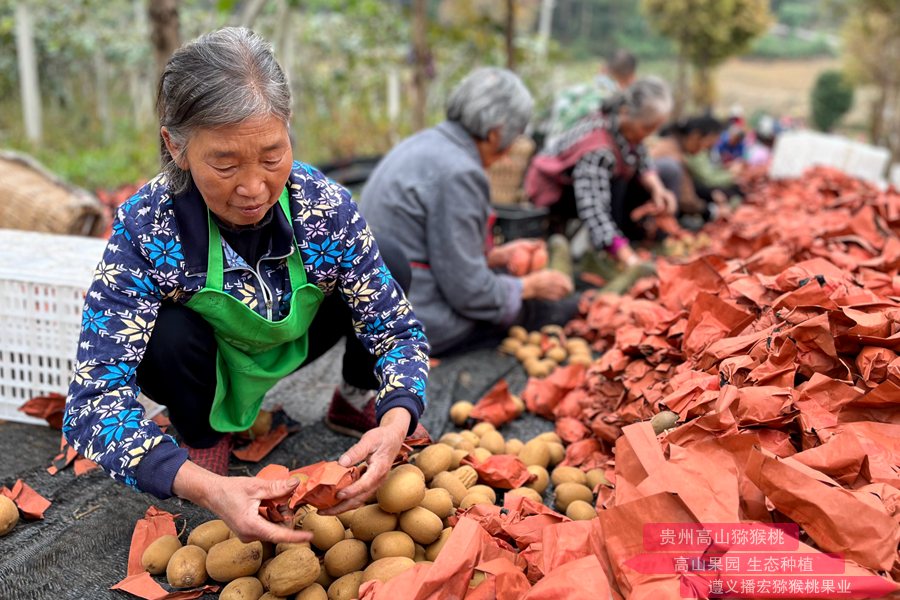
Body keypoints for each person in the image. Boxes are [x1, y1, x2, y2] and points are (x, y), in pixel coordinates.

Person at [63, 28, 430, 544]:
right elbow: (91, 404)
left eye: (272, 155)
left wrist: (397, 421)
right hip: (203, 365)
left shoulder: (323, 208)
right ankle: (203, 436)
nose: (254, 188)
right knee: (166, 334)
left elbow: (397, 332)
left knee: (387, 263)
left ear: (288, 130)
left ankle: (355, 401)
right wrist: (203, 488)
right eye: (225, 163)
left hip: (290, 342)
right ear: (176, 146)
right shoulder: (146, 227)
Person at [360, 67, 575, 356]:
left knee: (507, 280)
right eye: (515, 135)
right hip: (414, 315)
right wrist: (529, 286)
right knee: (548, 309)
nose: (512, 147)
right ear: (497, 132)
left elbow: (435, 245)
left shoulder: (425, 143)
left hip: (372, 303)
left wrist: (495, 256)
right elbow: (469, 292)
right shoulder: (460, 173)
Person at [526, 77, 676, 267]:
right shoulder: (598, 149)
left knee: (633, 181)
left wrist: (658, 189)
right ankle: (608, 252)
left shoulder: (623, 127)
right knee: (619, 184)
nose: (648, 134)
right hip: (553, 194)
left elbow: (640, 154)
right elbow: (594, 211)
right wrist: (628, 258)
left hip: (589, 185)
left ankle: (621, 245)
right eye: (647, 128)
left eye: (654, 129)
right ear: (625, 111)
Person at [651, 115, 741, 220]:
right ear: (695, 136)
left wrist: (711, 194)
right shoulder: (674, 155)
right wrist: (713, 211)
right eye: (706, 145)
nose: (703, 150)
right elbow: (686, 200)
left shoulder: (674, 145)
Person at [544, 50, 638, 144]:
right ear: (632, 78)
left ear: (603, 69)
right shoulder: (616, 104)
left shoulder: (572, 92)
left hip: (549, 150)